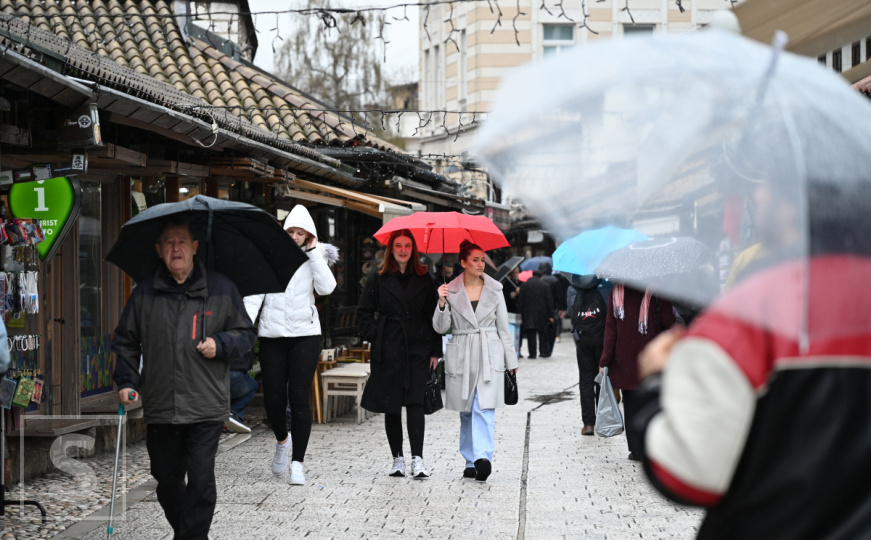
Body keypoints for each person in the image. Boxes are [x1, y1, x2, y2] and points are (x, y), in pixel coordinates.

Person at [629, 180, 871, 538]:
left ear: (794, 205)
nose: (756, 196)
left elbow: (688, 474)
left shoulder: (753, 311)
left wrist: (655, 384)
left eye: (768, 183)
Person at [113, 218, 255, 540]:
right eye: (168, 242)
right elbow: (125, 341)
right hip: (162, 405)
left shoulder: (221, 288)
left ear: (194, 247)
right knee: (165, 480)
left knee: (202, 481)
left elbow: (246, 334)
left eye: (181, 241)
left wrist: (221, 344)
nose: (175, 248)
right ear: (159, 250)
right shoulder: (145, 292)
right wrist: (126, 381)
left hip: (206, 406)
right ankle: (190, 533)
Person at [244, 204, 337, 486]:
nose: (295, 236)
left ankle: (298, 462)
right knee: (273, 398)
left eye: (300, 232)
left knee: (299, 397)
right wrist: (244, 327)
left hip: (305, 334)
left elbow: (327, 288)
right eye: (291, 231)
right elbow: (254, 295)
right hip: (272, 335)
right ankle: (283, 440)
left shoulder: (316, 257)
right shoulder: (268, 254)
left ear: (309, 235)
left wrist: (312, 254)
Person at [358, 229, 443, 479]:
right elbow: (364, 312)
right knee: (391, 404)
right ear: (391, 249)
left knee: (416, 402)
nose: (403, 250)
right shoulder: (378, 277)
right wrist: (379, 334)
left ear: (413, 250)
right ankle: (398, 459)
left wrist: (435, 351)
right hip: (389, 348)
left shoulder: (426, 278)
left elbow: (434, 318)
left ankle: (418, 458)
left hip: (418, 346)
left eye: (407, 245)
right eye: (398, 246)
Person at [434, 240, 518, 482]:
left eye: (483, 259)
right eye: (475, 260)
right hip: (461, 351)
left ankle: (483, 458)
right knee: (466, 410)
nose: (481, 264)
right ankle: (470, 460)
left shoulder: (496, 289)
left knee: (485, 406)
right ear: (463, 262)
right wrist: (441, 302)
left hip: (489, 351)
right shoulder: (449, 289)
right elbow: (440, 328)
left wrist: (511, 361)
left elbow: (503, 328)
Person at [599, 283, 674, 460]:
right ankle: (650, 446)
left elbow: (611, 330)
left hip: (624, 359)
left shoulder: (617, 292)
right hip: (650, 359)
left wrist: (604, 361)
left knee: (630, 404)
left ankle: (635, 449)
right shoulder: (657, 292)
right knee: (650, 402)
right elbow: (669, 323)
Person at [567, 274, 609, 436]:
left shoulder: (572, 288)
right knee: (602, 379)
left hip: (583, 339)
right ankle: (602, 420)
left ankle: (588, 424)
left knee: (585, 381)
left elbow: (572, 312)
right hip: (602, 338)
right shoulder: (604, 285)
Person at [516, 270, 554, 359]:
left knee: (531, 334)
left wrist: (520, 314)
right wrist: (551, 315)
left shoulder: (524, 286)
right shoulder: (545, 286)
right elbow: (549, 301)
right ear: (541, 277)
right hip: (542, 313)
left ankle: (532, 354)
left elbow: (520, 302)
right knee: (543, 334)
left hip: (528, 313)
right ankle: (543, 352)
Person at [225, 349, 258, 433]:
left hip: (211, 373)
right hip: (234, 370)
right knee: (253, 386)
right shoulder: (244, 337)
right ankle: (235, 413)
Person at [538, 262, 563, 351]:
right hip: (553, 308)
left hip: (541, 308)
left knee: (542, 330)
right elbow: (559, 296)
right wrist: (560, 307)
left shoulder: (540, 280)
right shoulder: (555, 280)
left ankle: (542, 349)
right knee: (552, 330)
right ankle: (549, 348)